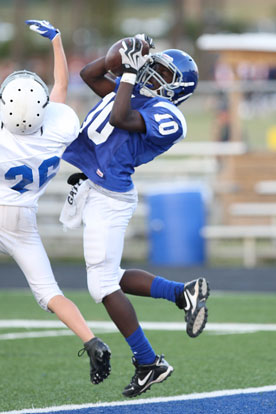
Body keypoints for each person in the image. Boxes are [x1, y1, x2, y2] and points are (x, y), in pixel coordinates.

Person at [61, 35, 210, 398]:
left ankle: (148, 362)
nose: (152, 72)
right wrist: (121, 51)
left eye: (161, 72)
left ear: (178, 88)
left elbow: (119, 116)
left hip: (111, 196)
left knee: (101, 283)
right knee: (110, 276)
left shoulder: (171, 115)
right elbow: (88, 74)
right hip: (98, 188)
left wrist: (128, 71)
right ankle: (182, 294)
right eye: (154, 65)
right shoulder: (132, 90)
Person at [0, 19, 111, 385]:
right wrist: (57, 42)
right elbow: (61, 86)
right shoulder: (59, 126)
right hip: (23, 218)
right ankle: (92, 341)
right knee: (49, 292)